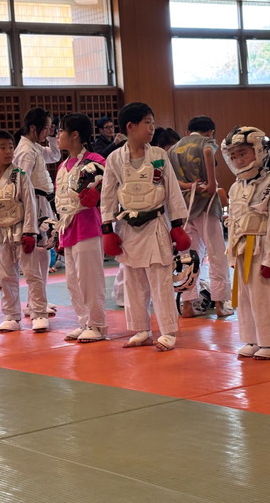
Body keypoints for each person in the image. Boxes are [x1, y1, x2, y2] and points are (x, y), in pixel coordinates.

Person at [100, 102, 191, 351]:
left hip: (155, 225)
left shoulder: (159, 155)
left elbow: (172, 190)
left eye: (153, 123)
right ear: (131, 126)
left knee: (160, 280)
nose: (152, 128)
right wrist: (107, 229)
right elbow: (108, 195)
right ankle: (142, 329)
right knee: (133, 281)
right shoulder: (114, 159)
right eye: (147, 123)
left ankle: (168, 331)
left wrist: (177, 225)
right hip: (128, 227)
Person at [221, 126, 270, 359]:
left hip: (262, 249)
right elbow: (234, 222)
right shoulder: (235, 187)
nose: (238, 160)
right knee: (246, 299)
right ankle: (252, 339)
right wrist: (231, 254)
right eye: (233, 156)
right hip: (241, 249)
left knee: (264, 298)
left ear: (260, 151)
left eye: (243, 153)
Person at [168, 115, 232, 318]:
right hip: (206, 205)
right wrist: (212, 183)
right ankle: (220, 303)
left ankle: (187, 304)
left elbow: (172, 180)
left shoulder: (173, 149)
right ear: (211, 132)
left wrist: (188, 186)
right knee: (216, 253)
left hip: (185, 207)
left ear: (188, 131)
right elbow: (208, 151)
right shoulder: (206, 142)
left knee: (188, 256)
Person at [0, 130, 45, 333]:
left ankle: (39, 313)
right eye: (3, 148)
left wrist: (30, 233)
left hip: (21, 232)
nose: (8, 151)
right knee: (6, 276)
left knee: (32, 274)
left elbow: (30, 205)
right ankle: (11, 315)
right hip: (1, 235)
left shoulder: (20, 176)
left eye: (11, 147)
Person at [55, 113, 107, 343]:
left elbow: (109, 186)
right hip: (67, 227)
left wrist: (98, 193)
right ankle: (84, 321)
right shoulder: (62, 166)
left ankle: (97, 324)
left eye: (61, 131)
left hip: (87, 224)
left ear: (75, 135)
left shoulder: (95, 160)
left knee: (89, 279)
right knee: (73, 280)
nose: (57, 136)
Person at [13, 107, 60, 331]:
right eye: (46, 127)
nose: (49, 131)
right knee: (37, 256)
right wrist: (28, 216)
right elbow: (21, 185)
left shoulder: (35, 147)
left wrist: (52, 136)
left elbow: (55, 155)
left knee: (44, 254)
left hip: (42, 202)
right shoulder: (25, 150)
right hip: (34, 204)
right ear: (33, 128)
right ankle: (34, 302)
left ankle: (38, 299)